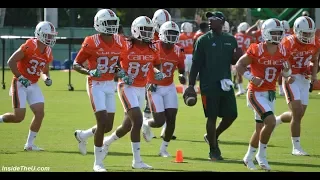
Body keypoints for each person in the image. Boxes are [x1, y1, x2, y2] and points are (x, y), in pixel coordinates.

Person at [102, 16, 165, 169]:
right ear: (135, 30)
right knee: (137, 121)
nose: (148, 33)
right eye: (145, 30)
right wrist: (122, 74)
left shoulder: (152, 47)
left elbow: (156, 64)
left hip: (141, 88)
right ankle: (137, 161)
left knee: (127, 126)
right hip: (126, 86)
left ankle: (107, 142)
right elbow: (114, 63)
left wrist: (157, 72)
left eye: (150, 30)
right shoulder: (125, 45)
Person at [184, 11, 242, 161]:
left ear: (222, 22)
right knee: (212, 117)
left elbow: (233, 62)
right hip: (208, 85)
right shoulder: (203, 40)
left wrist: (237, 57)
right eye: (209, 18)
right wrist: (191, 85)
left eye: (214, 19)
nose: (209, 21)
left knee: (232, 115)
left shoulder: (231, 39)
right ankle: (213, 150)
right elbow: (196, 65)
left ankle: (212, 136)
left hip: (226, 84)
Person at [237, 18, 291, 171]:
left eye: (279, 33)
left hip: (270, 93)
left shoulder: (283, 50)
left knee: (260, 128)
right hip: (255, 92)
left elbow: (286, 72)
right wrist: (252, 77)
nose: (277, 36)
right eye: (274, 32)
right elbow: (239, 64)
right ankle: (262, 156)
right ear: (266, 32)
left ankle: (248, 158)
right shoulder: (257, 49)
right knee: (271, 122)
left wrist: (288, 73)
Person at [72, 9, 123, 172]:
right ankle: (98, 163)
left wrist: (120, 70)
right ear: (99, 24)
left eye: (113, 23)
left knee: (108, 126)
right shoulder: (91, 41)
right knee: (102, 122)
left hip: (110, 84)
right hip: (95, 84)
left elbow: (117, 63)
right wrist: (89, 71)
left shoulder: (120, 41)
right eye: (108, 23)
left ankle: (83, 135)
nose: (111, 26)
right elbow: (76, 64)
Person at [0, 21, 57, 151]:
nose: (51, 38)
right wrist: (20, 77)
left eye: (52, 36)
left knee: (40, 113)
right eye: (48, 35)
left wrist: (46, 78)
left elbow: (44, 70)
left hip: (33, 84)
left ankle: (29, 144)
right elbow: (11, 61)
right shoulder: (30, 45)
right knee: (18, 117)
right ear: (40, 34)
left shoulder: (48, 51)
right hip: (20, 83)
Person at [274, 16, 320, 156]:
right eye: (305, 33)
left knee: (299, 115)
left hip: (304, 79)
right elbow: (280, 60)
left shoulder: (315, 43)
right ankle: (296, 147)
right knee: (297, 112)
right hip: (291, 78)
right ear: (297, 30)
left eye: (310, 33)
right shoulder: (288, 42)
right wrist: (286, 75)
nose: (307, 36)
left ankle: (277, 120)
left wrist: (314, 75)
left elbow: (315, 59)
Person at [141, 21, 186, 157]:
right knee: (159, 121)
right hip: (154, 86)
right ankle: (146, 123)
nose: (172, 36)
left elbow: (182, 69)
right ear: (161, 34)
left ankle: (163, 149)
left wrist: (182, 75)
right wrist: (148, 81)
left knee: (172, 119)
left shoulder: (178, 50)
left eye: (174, 34)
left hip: (169, 86)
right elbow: (145, 64)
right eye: (169, 33)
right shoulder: (153, 47)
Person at [143, 9, 176, 140]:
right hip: (149, 72)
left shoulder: (167, 34)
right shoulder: (149, 35)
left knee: (169, 106)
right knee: (149, 103)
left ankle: (165, 130)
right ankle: (145, 125)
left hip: (164, 73)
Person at [234, 22, 254, 96]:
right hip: (247, 56)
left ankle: (241, 89)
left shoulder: (236, 36)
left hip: (238, 56)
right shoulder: (249, 37)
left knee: (238, 73)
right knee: (250, 72)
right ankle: (250, 87)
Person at [178, 22, 195, 93]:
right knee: (191, 73)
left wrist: (182, 52)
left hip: (184, 56)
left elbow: (180, 47)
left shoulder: (180, 36)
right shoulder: (193, 35)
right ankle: (192, 88)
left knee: (184, 73)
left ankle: (184, 89)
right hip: (192, 56)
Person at [277, 20, 292, 96]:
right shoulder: (290, 34)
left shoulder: (277, 34)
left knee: (280, 72)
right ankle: (286, 88)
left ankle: (281, 89)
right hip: (290, 56)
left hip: (279, 54)